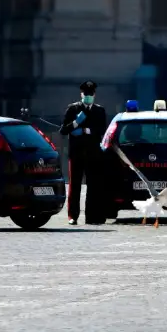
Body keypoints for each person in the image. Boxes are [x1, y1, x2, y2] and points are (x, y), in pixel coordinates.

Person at [59, 81, 108, 225]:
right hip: (76, 154)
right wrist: (75, 123)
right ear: (82, 94)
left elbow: (102, 131)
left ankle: (91, 216)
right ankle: (72, 216)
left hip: (93, 154)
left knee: (93, 186)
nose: (88, 97)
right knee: (74, 186)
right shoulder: (73, 109)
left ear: (94, 95)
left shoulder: (99, 111)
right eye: (86, 94)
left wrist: (88, 131)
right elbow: (63, 130)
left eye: (90, 94)